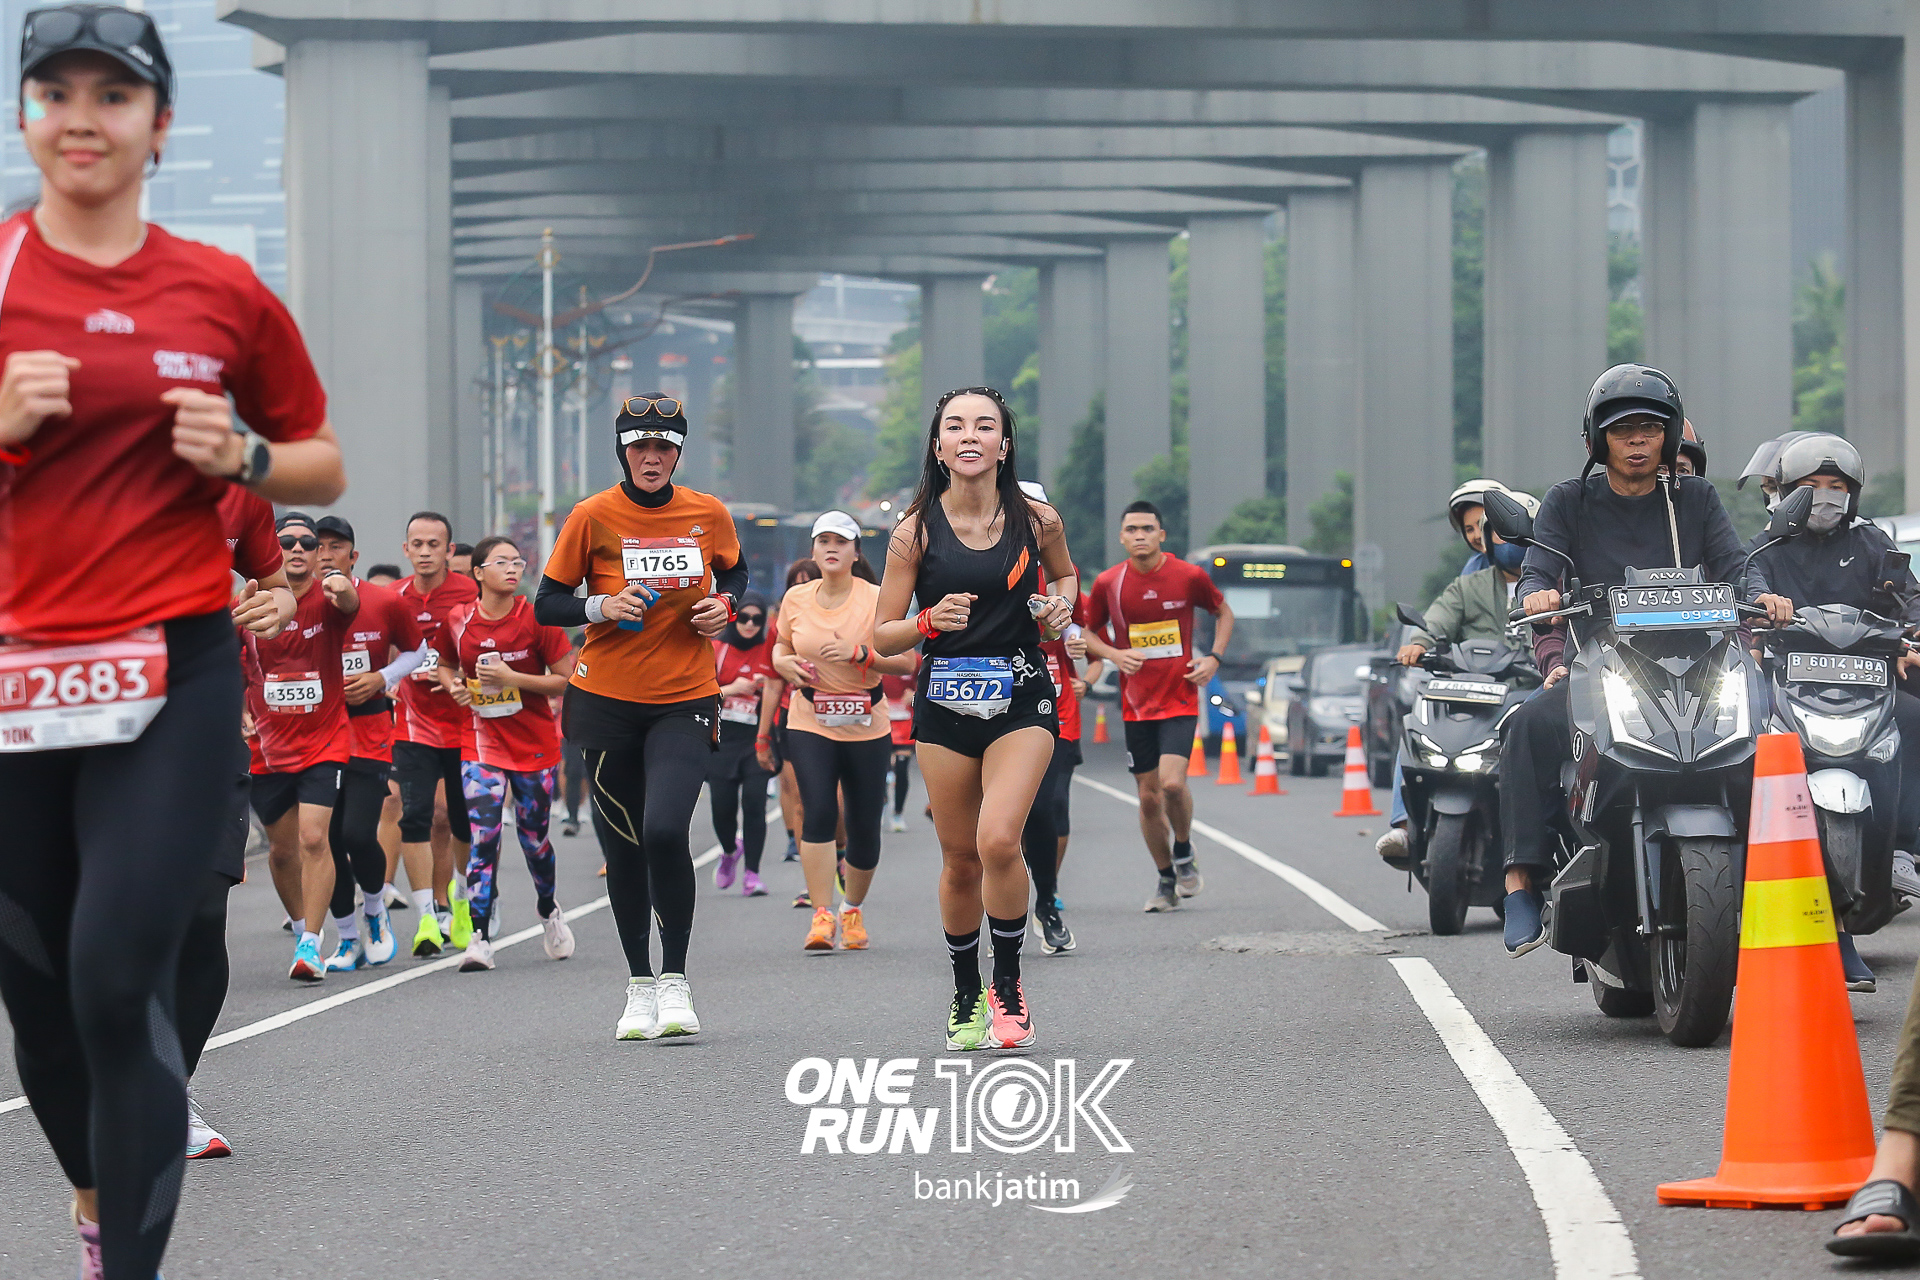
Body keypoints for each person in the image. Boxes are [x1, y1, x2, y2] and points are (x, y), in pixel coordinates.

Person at [0, 7, 345, 1270]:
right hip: (16, 674)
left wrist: (246, 455)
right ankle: (99, 1197)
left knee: (113, 975)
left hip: (172, 668)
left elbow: (319, 458)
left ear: (159, 126)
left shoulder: (218, 288)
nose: (82, 119)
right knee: (39, 1001)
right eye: (57, 94)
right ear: (28, 117)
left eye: (113, 95)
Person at [1499, 365, 1791, 956]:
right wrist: (1538, 592)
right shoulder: (1567, 500)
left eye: (1651, 429)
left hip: (1703, 665)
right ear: (1597, 439)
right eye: (1622, 430)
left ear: (1670, 435)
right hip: (1602, 665)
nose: (1637, 441)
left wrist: (1763, 596)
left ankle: (1824, 910)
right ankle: (1520, 885)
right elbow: (1538, 568)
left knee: (1785, 733)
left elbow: (1737, 566)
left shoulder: (1696, 497)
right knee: (1526, 725)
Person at [535, 393, 746, 1040]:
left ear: (677, 453)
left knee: (664, 831)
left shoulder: (707, 512)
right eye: (639, 447)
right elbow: (547, 603)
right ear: (623, 452)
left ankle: (675, 979)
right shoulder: (592, 515)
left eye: (663, 447)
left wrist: (724, 607)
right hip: (606, 703)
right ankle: (639, 986)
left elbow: (736, 576)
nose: (651, 458)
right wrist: (601, 607)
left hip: (684, 697)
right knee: (623, 844)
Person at [873, 386, 1077, 1051]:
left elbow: (1066, 578)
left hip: (1021, 694)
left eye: (984, 426)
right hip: (944, 703)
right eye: (955, 426)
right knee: (961, 860)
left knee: (999, 840)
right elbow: (883, 635)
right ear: (938, 447)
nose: (969, 436)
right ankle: (966, 990)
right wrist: (929, 620)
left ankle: (1008, 986)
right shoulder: (914, 532)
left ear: (1003, 445)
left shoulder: (1037, 520)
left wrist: (1060, 607)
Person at [1746, 433, 1920, 992]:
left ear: (1853, 494)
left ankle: (1903, 846)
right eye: (1810, 486)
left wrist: (1909, 639)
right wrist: (1754, 625)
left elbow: (1909, 599)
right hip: (1787, 687)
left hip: (1865, 684)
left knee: (1912, 719)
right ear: (1785, 492)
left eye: (1835, 486)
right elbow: (1744, 592)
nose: (1824, 496)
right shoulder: (1765, 548)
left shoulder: (1872, 543)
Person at [184, 485, 295, 1162]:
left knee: (202, 912)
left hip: (204, 727)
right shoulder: (65, 469)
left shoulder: (237, 497)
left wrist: (275, 605)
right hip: (91, 729)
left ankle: (167, 1089)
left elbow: (279, 592)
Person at [434, 534, 578, 972]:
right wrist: (454, 686)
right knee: (484, 837)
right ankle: (479, 937)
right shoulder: (458, 620)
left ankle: (548, 909)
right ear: (478, 573)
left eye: (517, 562)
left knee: (534, 840)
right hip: (480, 743)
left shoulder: (537, 619)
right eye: (502, 562)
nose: (513, 569)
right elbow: (444, 664)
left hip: (534, 745)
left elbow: (565, 680)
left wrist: (512, 678)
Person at [776, 512, 918, 951]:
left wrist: (861, 654)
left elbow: (907, 661)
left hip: (866, 721)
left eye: (841, 541)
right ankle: (821, 915)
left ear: (856, 552)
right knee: (817, 810)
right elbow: (781, 646)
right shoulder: (796, 598)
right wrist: (784, 663)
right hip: (810, 718)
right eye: (824, 541)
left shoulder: (877, 598)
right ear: (813, 551)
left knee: (863, 824)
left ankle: (851, 909)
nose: (832, 549)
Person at [1082, 500, 1234, 912]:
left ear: (1161, 535)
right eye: (1132, 529)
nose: (1140, 536)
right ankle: (1166, 878)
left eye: (1147, 529)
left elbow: (1224, 613)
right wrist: (1114, 655)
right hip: (1136, 705)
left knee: (1171, 784)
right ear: (1121, 537)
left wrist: (1214, 658)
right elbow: (1088, 632)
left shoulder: (1188, 576)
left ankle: (1183, 848)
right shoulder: (1110, 583)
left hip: (1180, 697)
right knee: (1148, 799)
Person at [1375, 490, 1539, 867]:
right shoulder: (1468, 585)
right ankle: (1403, 825)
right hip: (1472, 693)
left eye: (1514, 532)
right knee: (1416, 726)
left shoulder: (1553, 585)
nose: (1505, 540)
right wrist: (1418, 644)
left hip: (1529, 694)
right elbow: (1437, 620)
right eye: (1495, 532)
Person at [245, 512, 360, 981]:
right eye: (286, 541)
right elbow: (230, 662)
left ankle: (311, 944)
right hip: (267, 745)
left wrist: (343, 588)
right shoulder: (251, 601)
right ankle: (299, 927)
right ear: (272, 550)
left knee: (313, 837)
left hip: (324, 739)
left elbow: (349, 603)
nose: (297, 548)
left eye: (307, 542)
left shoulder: (329, 597)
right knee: (281, 851)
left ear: (317, 554)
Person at [313, 515, 424, 972]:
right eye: (317, 546)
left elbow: (418, 650)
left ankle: (375, 911)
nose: (325, 555)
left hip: (368, 732)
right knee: (325, 841)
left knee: (357, 833)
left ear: (353, 556)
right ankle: (346, 938)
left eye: (335, 547)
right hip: (315, 736)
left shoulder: (384, 600)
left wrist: (383, 676)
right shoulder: (293, 606)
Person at [392, 510, 479, 956]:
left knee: (461, 819)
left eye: (434, 545)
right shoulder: (392, 597)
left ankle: (460, 899)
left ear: (449, 550)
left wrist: (460, 675)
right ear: (405, 549)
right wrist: (387, 677)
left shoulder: (471, 594)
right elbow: (377, 646)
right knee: (416, 817)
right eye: (417, 544)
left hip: (466, 724)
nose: (425, 552)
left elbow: (494, 645)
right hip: (413, 725)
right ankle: (427, 917)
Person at [1016, 480, 1094, 953]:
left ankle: (1046, 902)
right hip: (990, 706)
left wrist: (1086, 664)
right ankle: (1002, 912)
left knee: (1046, 808)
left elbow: (1082, 637)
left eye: (1037, 513)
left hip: (1053, 709)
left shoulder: (1064, 575)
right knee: (999, 822)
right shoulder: (976, 562)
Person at [711, 589, 774, 896]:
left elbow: (780, 686)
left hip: (756, 741)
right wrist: (732, 688)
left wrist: (767, 688)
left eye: (756, 620)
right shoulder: (718, 648)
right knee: (722, 808)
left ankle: (752, 874)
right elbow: (700, 693)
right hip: (722, 741)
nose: (749, 624)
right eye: (744, 618)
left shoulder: (768, 650)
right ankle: (729, 850)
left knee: (754, 803)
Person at [359, 561, 413, 907]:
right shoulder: (352, 628)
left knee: (392, 801)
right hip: (353, 729)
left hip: (401, 729)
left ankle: (385, 883)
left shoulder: (409, 640)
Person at [1449, 479, 1511, 576]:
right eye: (1469, 530)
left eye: (1483, 524)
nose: (1478, 535)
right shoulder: (1473, 570)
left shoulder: (1533, 557)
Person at [884, 668, 916, 831]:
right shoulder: (870, 656)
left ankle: (898, 813)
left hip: (904, 722)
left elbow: (929, 678)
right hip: (880, 720)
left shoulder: (914, 660)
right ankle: (881, 804)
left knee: (902, 769)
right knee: (878, 769)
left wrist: (915, 694)